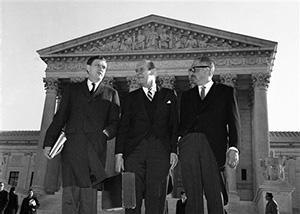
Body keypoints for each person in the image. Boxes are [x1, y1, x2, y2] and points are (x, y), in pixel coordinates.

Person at [43, 55, 120, 214]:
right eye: (97, 65)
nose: (101, 69)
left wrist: (104, 135)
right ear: (88, 68)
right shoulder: (73, 89)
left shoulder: (111, 93)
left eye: (104, 67)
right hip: (72, 147)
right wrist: (48, 142)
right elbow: (60, 116)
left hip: (95, 149)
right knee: (70, 195)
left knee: (88, 196)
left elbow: (115, 123)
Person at [178, 56, 241, 214]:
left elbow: (234, 122)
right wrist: (180, 139)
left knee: (214, 192)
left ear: (207, 70)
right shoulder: (186, 96)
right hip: (189, 145)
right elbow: (182, 122)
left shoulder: (226, 92)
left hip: (212, 146)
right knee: (192, 192)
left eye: (195, 69)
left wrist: (233, 147)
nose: (191, 72)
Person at [115, 59, 179, 214]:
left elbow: (174, 125)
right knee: (131, 199)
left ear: (153, 72)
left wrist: (173, 150)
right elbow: (123, 127)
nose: (138, 73)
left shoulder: (169, 95)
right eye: (136, 71)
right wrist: (119, 154)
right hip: (134, 152)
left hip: (160, 151)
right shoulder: (131, 98)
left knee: (157, 198)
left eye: (141, 69)